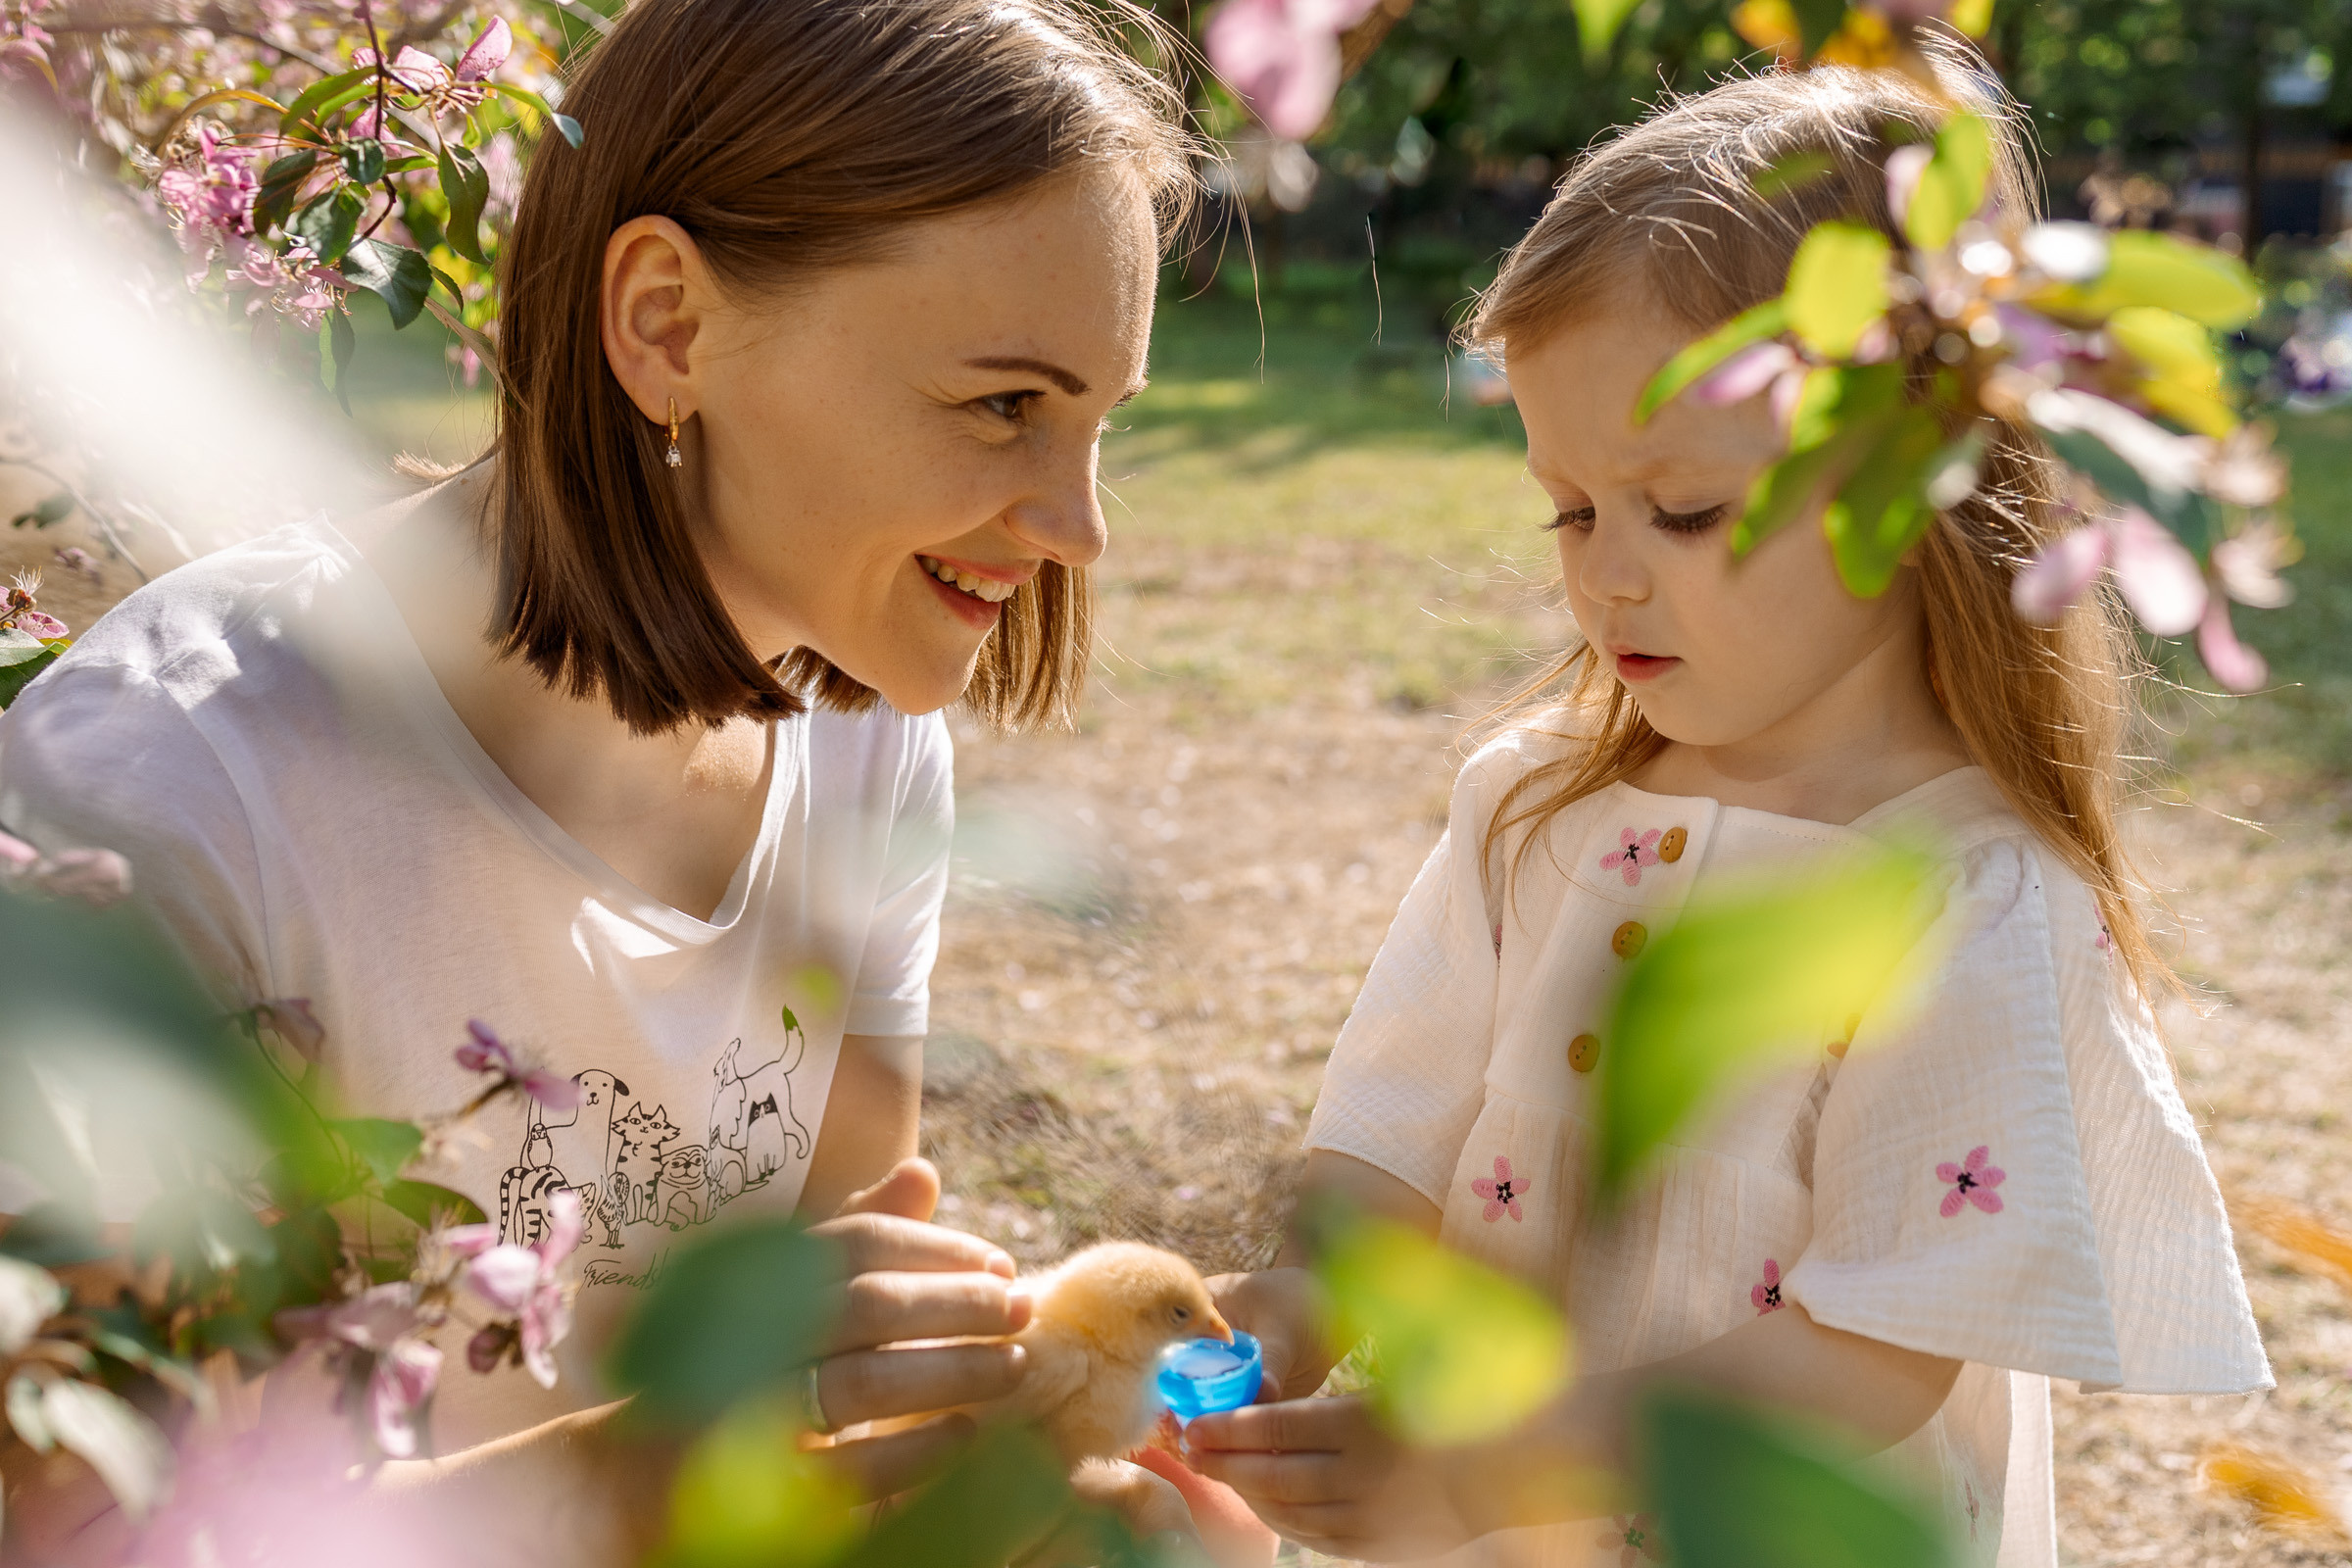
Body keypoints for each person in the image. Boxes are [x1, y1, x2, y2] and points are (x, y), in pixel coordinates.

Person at [0, 0, 1200, 1556]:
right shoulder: (177, 796)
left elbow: (839, 1291)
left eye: (1097, 423)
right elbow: (72, 1525)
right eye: (1004, 406)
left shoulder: (861, 722)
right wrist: (639, 1473)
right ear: (668, 324)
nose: (1079, 530)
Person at [1189, 52, 2271, 1568]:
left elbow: (1880, 1347)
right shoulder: (1534, 812)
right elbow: (1385, 1142)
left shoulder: (1959, 893)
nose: (1605, 574)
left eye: (1681, 510)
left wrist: (1496, 1468)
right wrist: (1298, 1311)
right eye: (1569, 507)